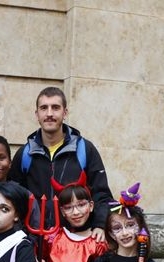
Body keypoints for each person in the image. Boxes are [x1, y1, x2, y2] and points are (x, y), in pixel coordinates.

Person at [8, 86, 113, 241]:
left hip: (76, 240)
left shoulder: (85, 149)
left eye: (55, 108)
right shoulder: (25, 154)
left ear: (65, 113)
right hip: (35, 241)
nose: (49, 113)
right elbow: (13, 200)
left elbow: (101, 194)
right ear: (37, 114)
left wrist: (100, 224)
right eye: (44, 108)